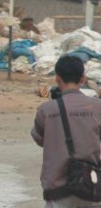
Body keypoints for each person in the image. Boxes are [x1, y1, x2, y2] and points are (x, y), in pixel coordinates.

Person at [32, 55, 101, 207]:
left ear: (57, 79)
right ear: (82, 79)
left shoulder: (46, 110)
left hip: (58, 191)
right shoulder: (98, 107)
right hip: (92, 187)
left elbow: (39, 139)